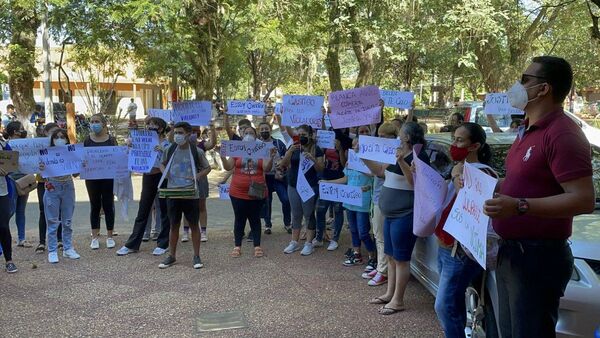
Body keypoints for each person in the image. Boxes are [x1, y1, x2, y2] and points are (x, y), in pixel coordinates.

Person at [484, 56, 594, 338]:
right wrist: (491, 184)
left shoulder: (563, 134)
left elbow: (582, 199)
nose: (516, 86)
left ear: (543, 89)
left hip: (537, 257)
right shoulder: (527, 130)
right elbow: (523, 180)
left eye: (524, 79)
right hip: (512, 252)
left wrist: (519, 206)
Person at [434, 122, 496, 337]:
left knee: (442, 305)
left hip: (461, 251)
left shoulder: (484, 175)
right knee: (453, 303)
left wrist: (460, 177)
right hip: (445, 246)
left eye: (460, 140)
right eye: (454, 139)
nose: (454, 145)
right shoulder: (457, 169)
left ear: (475, 146)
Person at [363, 122, 430, 315]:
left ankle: (398, 300)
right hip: (390, 214)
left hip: (405, 214)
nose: (397, 136)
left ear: (408, 137)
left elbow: (415, 182)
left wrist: (401, 161)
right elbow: (380, 172)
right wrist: (363, 156)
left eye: (400, 133)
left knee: (401, 259)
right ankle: (389, 293)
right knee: (391, 257)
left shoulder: (418, 156)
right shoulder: (395, 152)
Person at [158, 122, 211, 269]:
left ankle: (196, 256)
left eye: (180, 133)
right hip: (173, 192)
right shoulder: (170, 149)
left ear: (188, 134)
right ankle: (172, 256)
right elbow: (161, 163)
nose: (177, 135)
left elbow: (207, 168)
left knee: (194, 225)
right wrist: (165, 172)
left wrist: (197, 176)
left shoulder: (196, 151)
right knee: (173, 225)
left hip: (190, 193)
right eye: (176, 132)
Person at [117, 117, 173, 257]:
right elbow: (131, 156)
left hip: (162, 177)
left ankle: (163, 243)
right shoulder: (142, 141)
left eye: (153, 124)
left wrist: (162, 151)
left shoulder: (166, 144)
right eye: (148, 124)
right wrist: (130, 146)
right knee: (143, 209)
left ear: (160, 128)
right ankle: (133, 244)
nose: (149, 127)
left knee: (164, 210)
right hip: (148, 177)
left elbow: (170, 164)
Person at [221, 126, 275, 257]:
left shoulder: (262, 149)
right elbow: (228, 166)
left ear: (256, 136)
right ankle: (237, 246)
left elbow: (266, 168)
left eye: (251, 133)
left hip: (257, 191)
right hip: (237, 192)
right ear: (242, 135)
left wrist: (271, 157)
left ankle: (257, 246)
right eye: (246, 133)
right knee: (239, 219)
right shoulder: (237, 149)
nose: (249, 135)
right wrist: (222, 155)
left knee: (255, 219)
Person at [322, 137, 375, 267]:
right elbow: (345, 179)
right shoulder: (350, 162)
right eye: (353, 144)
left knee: (363, 231)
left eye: (358, 144)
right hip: (350, 200)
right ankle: (357, 254)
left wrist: (361, 164)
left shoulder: (370, 162)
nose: (355, 147)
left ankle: (373, 256)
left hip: (362, 202)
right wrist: (328, 183)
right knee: (353, 229)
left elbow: (374, 175)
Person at [361, 122, 398, 287]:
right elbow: (374, 173)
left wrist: (364, 157)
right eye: (379, 136)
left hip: (384, 199)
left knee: (382, 237)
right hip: (376, 197)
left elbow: (380, 172)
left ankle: (383, 271)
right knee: (377, 234)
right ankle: (381, 266)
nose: (380, 139)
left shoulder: (394, 153)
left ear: (392, 138)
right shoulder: (384, 152)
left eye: (384, 137)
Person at [279, 124, 325, 256]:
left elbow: (321, 169)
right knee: (296, 214)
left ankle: (309, 243)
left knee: (309, 214)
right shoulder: (293, 147)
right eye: (298, 135)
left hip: (309, 186)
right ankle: (294, 242)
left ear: (310, 135)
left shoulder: (316, 149)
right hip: (293, 185)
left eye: (303, 135)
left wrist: (313, 159)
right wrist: (290, 151)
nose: (301, 137)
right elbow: (283, 164)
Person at [38, 129, 80, 263]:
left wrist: (81, 166)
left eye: (63, 137)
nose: (60, 139)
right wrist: (42, 167)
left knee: (67, 221)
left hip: (68, 186)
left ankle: (68, 248)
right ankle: (52, 250)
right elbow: (41, 175)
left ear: (67, 139)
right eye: (57, 137)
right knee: (52, 221)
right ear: (52, 139)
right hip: (52, 187)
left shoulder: (71, 153)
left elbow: (75, 174)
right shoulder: (46, 154)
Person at [84, 114, 117, 250]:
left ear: (104, 124)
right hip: (91, 177)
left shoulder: (111, 140)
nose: (94, 124)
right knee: (95, 205)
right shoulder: (87, 140)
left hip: (108, 177)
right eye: (92, 122)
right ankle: (95, 237)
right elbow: (82, 157)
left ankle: (110, 236)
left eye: (97, 121)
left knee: (108, 205)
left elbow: (118, 156)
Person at [181, 122, 217, 243]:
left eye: (196, 132)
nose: (193, 134)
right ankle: (186, 231)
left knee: (201, 205)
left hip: (200, 179)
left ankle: (203, 231)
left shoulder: (201, 146)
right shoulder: (180, 146)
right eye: (191, 131)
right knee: (186, 206)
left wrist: (212, 129)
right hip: (186, 180)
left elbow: (212, 143)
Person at [314, 127, 349, 251]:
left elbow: (345, 165)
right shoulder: (324, 146)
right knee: (320, 210)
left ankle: (335, 239)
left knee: (338, 211)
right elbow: (321, 162)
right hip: (326, 179)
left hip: (339, 180)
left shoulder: (344, 145)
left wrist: (339, 150)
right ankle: (319, 237)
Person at [258, 121, 290, 235]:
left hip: (278, 177)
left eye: (266, 129)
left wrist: (281, 166)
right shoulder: (256, 145)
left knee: (286, 200)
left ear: (270, 129)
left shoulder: (278, 142)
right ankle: (267, 225)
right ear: (259, 131)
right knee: (267, 202)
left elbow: (286, 157)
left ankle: (287, 223)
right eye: (262, 129)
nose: (264, 131)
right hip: (264, 178)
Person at [35, 123, 62, 253]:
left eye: (57, 132)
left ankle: (60, 240)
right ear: (45, 133)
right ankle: (42, 242)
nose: (55, 135)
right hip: (43, 182)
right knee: (43, 210)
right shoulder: (39, 147)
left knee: (59, 211)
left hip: (58, 181)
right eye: (52, 132)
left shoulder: (62, 146)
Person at [5, 121, 32, 247]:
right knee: (10, 211)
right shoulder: (6, 145)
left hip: (24, 179)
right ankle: (5, 238)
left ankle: (22, 238)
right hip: (11, 180)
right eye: (21, 129)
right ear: (15, 132)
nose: (23, 131)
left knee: (21, 210)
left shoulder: (26, 144)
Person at [0, 137, 18, 273]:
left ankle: (9, 260)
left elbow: (12, 163)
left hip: (2, 191)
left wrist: (7, 170)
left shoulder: (3, 144)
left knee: (3, 226)